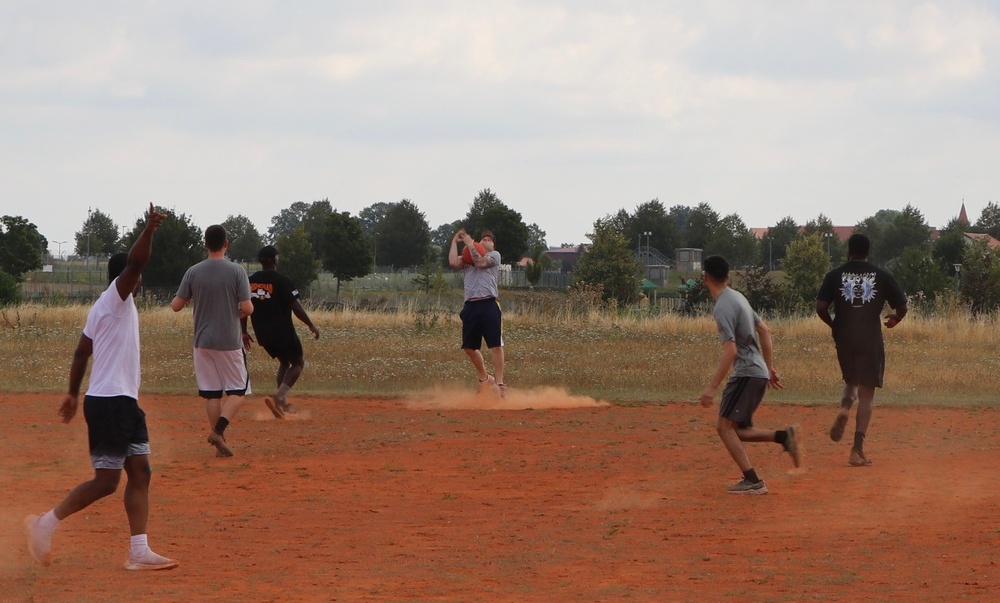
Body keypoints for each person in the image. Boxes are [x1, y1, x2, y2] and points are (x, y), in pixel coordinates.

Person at [24, 203, 178, 571]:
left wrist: (72, 393)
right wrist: (150, 231)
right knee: (107, 481)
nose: (138, 280)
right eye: (134, 276)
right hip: (111, 402)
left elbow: (81, 352)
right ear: (125, 279)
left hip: (120, 401)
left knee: (141, 472)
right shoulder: (117, 298)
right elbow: (136, 264)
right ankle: (43, 525)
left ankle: (138, 551)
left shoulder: (103, 308)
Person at [698, 255, 800, 494]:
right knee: (739, 430)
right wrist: (769, 367)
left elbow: (731, 350)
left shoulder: (722, 306)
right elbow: (764, 330)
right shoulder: (738, 297)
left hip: (745, 373)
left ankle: (753, 480)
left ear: (705, 278)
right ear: (728, 276)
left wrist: (712, 388)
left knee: (724, 427)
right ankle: (785, 437)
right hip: (756, 371)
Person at [816, 233, 907, 467]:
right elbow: (902, 305)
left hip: (845, 337)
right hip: (870, 338)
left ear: (849, 250)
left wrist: (834, 324)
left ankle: (845, 407)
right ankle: (857, 449)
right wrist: (895, 318)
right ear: (868, 252)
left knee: (851, 380)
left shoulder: (834, 275)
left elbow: (821, 307)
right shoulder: (881, 275)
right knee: (867, 394)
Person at [170, 225, 253, 457]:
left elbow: (176, 306)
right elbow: (247, 308)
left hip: (202, 340)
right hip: (229, 340)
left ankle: (220, 443)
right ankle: (218, 431)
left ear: (205, 244)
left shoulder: (193, 271)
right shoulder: (237, 271)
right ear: (226, 244)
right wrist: (236, 311)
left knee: (212, 393)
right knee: (238, 390)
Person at [242, 245, 320, 418]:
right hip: (282, 332)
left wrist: (243, 331)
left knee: (284, 362)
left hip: (263, 334)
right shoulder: (282, 280)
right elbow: (296, 307)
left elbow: (243, 308)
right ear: (273, 261)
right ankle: (279, 397)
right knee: (298, 363)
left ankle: (282, 405)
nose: (278, 259)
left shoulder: (250, 281)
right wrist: (311, 324)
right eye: (276, 257)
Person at [448, 228, 506, 398]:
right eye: (483, 239)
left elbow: (480, 262)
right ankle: (485, 379)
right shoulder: (468, 257)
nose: (486, 241)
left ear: (493, 244)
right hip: (471, 305)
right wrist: (454, 242)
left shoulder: (494, 255)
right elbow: (453, 263)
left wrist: (470, 244)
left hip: (489, 303)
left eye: (489, 239)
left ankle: (500, 384)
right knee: (469, 347)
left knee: (495, 345)